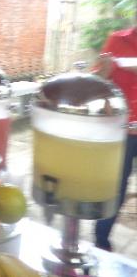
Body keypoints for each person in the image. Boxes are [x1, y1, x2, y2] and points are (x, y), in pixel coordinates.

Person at [94, 25, 137, 251]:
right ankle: (101, 240)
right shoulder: (117, 40)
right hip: (122, 129)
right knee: (116, 186)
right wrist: (104, 72)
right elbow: (96, 83)